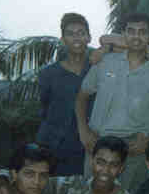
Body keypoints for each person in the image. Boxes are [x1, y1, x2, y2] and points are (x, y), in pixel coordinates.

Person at [76, 13, 149, 194]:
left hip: (133, 152)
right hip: (97, 144)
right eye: (131, 31)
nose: (136, 36)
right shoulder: (105, 61)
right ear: (124, 34)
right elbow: (81, 97)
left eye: (142, 32)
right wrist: (83, 131)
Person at [36, 13, 101, 176]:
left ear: (89, 37)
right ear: (63, 39)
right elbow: (45, 110)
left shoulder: (99, 69)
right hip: (54, 148)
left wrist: (105, 47)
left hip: (90, 147)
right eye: (70, 34)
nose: (76, 38)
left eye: (81, 33)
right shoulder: (48, 74)